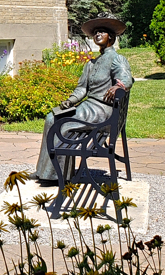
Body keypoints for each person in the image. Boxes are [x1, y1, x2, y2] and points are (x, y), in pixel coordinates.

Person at [30, 14, 134, 183]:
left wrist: (118, 86)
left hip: (102, 112)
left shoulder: (116, 59)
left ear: (111, 38)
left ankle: (57, 175)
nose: (98, 35)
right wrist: (70, 101)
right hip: (88, 107)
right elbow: (81, 89)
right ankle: (47, 171)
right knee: (51, 118)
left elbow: (126, 79)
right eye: (96, 32)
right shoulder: (91, 64)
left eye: (102, 32)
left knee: (60, 124)